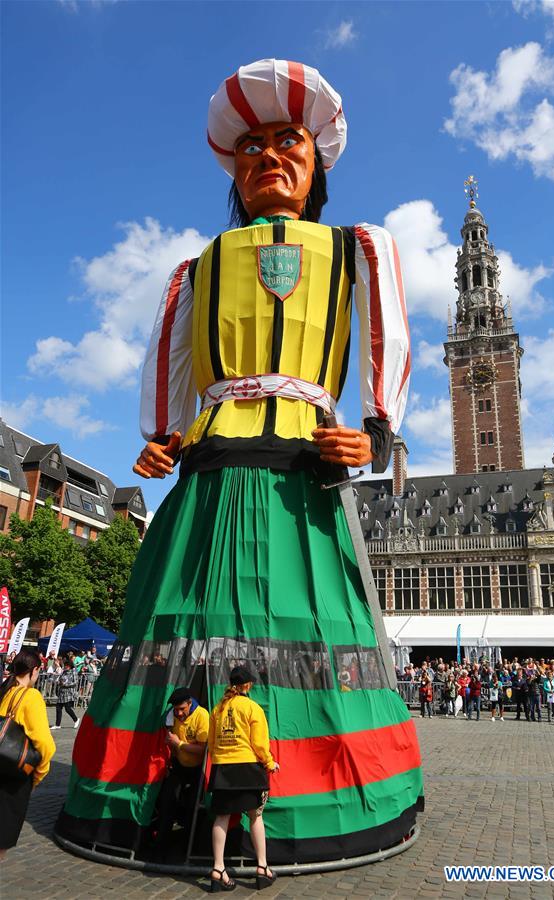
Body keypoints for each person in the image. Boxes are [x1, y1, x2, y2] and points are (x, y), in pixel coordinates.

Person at [58, 58, 422, 862]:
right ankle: (168, 783)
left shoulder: (357, 245)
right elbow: (170, 356)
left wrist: (378, 429)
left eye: (288, 139)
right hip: (215, 457)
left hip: (305, 460)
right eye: (250, 145)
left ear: (316, 158)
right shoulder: (197, 267)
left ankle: (297, 797)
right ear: (235, 166)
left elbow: (389, 333)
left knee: (311, 608)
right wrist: (161, 431)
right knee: (183, 605)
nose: (268, 156)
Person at [208, 666, 280, 892]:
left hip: (222, 769)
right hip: (248, 769)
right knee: (255, 816)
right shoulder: (252, 708)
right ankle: (262, 868)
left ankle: (218, 869)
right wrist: (270, 763)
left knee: (221, 817)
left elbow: (211, 743)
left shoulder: (217, 709)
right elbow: (259, 744)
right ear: (248, 685)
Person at [0, 648, 56, 858]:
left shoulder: (6, 690)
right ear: (34, 670)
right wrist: (37, 776)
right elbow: (45, 745)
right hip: (15, 778)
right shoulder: (31, 696)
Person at [155, 687, 209, 849]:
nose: (178, 713)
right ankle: (160, 845)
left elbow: (202, 750)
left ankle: (189, 845)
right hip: (179, 766)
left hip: (198, 768)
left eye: (182, 709)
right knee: (167, 801)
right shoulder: (172, 716)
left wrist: (179, 744)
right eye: (176, 709)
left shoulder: (202, 716)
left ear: (190, 703)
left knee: (193, 807)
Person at [50, 660, 80, 730]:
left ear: (70, 666)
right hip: (62, 692)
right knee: (58, 708)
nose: (65, 667)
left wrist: (66, 684)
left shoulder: (73, 672)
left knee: (67, 708)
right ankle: (57, 725)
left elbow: (75, 682)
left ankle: (76, 719)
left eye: (66, 666)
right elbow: (60, 679)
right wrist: (58, 682)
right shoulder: (64, 672)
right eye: (65, 665)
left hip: (69, 692)